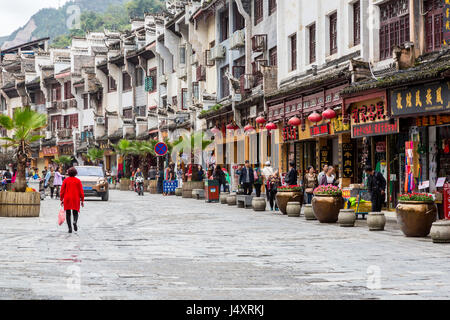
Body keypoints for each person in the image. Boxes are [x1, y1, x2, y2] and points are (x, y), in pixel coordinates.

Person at [60, 167, 84, 234]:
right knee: (75, 212)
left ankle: (70, 228)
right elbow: (81, 191)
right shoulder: (78, 181)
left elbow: (62, 191)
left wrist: (61, 199)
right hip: (75, 198)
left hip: (67, 198)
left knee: (68, 213)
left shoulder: (65, 180)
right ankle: (75, 221)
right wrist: (82, 200)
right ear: (75, 173)